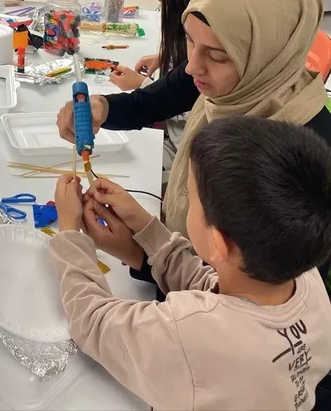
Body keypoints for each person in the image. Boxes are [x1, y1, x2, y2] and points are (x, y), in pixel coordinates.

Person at [51, 116, 331, 410]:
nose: (186, 200)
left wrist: (70, 231)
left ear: (218, 242)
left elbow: (93, 322)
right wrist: (144, 227)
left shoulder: (188, 334)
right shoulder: (305, 277)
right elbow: (216, 291)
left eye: (190, 197)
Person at [56, 0, 331, 238]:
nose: (191, 67)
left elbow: (229, 263)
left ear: (269, 54)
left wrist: (144, 246)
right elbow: (150, 102)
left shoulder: (305, 165)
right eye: (189, 40)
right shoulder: (229, 80)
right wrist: (102, 107)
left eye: (217, 56)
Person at [109, 0, 210, 170]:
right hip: (171, 135)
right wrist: (166, 57)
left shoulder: (206, 44)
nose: (163, 11)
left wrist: (143, 84)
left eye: (163, 2)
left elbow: (188, 109)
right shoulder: (195, 33)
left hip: (184, 150)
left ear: (181, 0)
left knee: (116, 160)